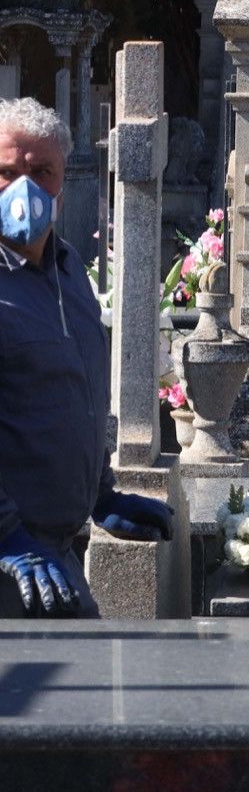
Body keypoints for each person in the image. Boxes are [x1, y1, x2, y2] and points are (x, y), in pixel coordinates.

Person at [0, 98, 174, 618]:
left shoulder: (69, 269)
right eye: (6, 172)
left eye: (40, 172)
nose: (22, 189)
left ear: (62, 180)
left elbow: (76, 387)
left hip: (54, 550)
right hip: (14, 557)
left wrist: (101, 494)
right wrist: (6, 537)